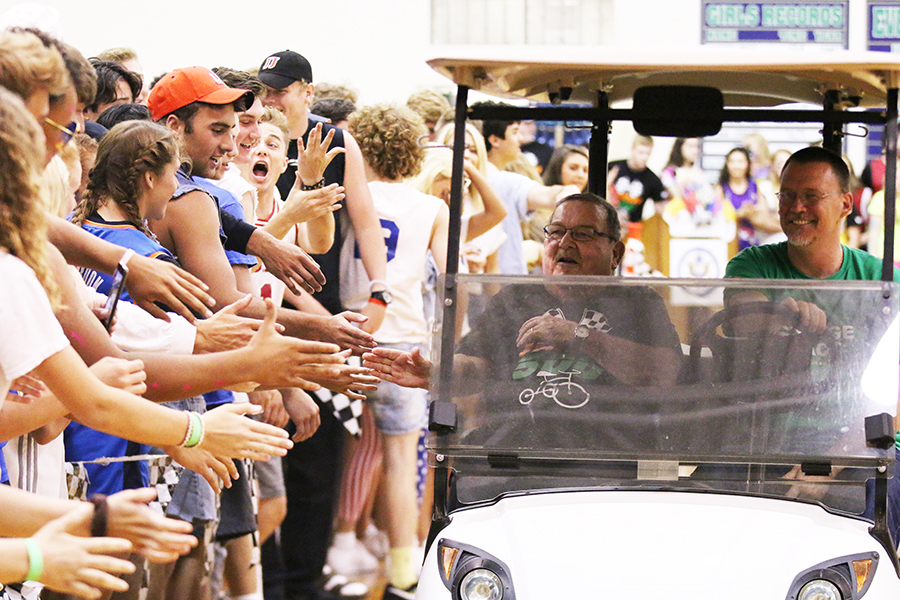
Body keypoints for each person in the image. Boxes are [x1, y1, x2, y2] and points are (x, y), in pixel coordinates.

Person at [364, 193, 682, 443]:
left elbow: (663, 374)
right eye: (555, 232)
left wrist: (580, 337)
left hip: (608, 458)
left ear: (615, 253)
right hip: (513, 457)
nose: (565, 243)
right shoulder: (515, 298)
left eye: (583, 235)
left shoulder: (638, 301)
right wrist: (436, 374)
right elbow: (478, 366)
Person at [256, 49, 388, 600]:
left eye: (281, 90)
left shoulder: (334, 141)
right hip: (267, 306)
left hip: (320, 305)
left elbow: (361, 219)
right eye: (265, 90)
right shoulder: (252, 141)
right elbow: (254, 247)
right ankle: (266, 579)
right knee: (268, 455)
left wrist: (381, 292)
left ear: (307, 92)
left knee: (318, 453)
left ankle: (304, 578)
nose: (269, 101)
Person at [724, 145, 900, 542]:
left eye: (810, 196)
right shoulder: (752, 266)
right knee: (698, 507)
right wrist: (778, 314)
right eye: (787, 195)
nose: (796, 208)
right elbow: (744, 316)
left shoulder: (884, 282)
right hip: (767, 437)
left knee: (867, 523)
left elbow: (893, 396)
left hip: (865, 441)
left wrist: (831, 463)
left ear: (844, 204)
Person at [339, 104, 449, 600]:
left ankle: (340, 544)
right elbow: (450, 280)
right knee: (402, 460)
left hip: (344, 328)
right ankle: (404, 566)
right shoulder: (432, 208)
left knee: (347, 449)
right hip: (404, 338)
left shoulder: (345, 194)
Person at [476, 104, 580, 274]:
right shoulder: (504, 182)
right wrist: (570, 195)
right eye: (515, 132)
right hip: (503, 284)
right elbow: (548, 196)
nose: (521, 139)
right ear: (494, 140)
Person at [716, 146, 780, 250]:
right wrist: (738, 214)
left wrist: (753, 211)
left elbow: (763, 213)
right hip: (729, 242)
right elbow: (718, 217)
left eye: (740, 161)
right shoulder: (722, 189)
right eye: (732, 161)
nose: (736, 166)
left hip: (754, 242)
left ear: (747, 164)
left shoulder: (755, 187)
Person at [607, 135, 665, 224]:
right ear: (632, 150)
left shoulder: (653, 179)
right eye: (641, 152)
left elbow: (659, 211)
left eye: (648, 153)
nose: (644, 157)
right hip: (608, 221)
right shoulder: (613, 167)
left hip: (633, 227)